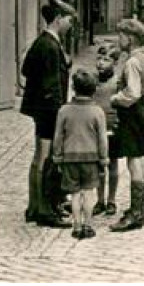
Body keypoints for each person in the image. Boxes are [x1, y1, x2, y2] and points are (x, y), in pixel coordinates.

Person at [20, 0, 76, 227]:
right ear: (58, 19)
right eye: (69, 20)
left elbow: (26, 70)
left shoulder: (41, 42)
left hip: (41, 111)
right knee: (45, 159)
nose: (71, 24)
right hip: (49, 113)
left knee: (39, 157)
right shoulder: (51, 46)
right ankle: (44, 210)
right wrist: (59, 114)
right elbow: (52, 87)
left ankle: (36, 206)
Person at [109, 18, 144, 232]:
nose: (118, 39)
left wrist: (115, 98)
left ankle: (136, 214)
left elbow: (133, 93)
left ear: (130, 38)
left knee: (134, 163)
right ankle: (140, 210)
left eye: (121, 35)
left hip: (134, 115)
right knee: (141, 163)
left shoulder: (132, 62)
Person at [52, 69, 108, 240]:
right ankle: (88, 224)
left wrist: (57, 156)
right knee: (89, 192)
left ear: (73, 88)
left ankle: (76, 225)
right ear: (94, 89)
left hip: (70, 158)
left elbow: (58, 136)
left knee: (75, 194)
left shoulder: (64, 111)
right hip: (91, 159)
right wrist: (103, 158)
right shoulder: (97, 112)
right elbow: (102, 139)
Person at [91, 49, 122, 217]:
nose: (101, 63)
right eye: (99, 58)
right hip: (96, 128)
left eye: (106, 59)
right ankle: (100, 199)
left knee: (113, 164)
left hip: (112, 126)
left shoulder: (117, 83)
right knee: (99, 165)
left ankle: (111, 200)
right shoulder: (93, 81)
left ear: (115, 63)